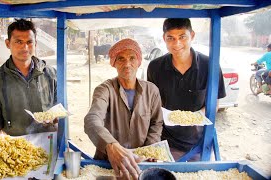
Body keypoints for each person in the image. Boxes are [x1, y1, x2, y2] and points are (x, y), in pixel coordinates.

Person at [147, 18, 226, 161]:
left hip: (199, 144)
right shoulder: (155, 67)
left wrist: (194, 118)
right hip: (166, 143)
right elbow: (153, 104)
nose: (176, 44)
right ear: (164, 38)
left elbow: (214, 104)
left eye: (182, 37)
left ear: (192, 36)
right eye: (170, 38)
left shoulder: (210, 66)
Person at [84, 38, 163, 180]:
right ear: (114, 63)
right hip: (108, 163)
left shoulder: (152, 91)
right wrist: (111, 146)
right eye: (121, 59)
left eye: (132, 58)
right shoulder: (105, 89)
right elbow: (92, 120)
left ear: (139, 61)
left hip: (141, 163)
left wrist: (148, 150)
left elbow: (156, 123)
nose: (127, 64)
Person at [0, 19, 57, 136]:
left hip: (49, 143)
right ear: (8, 44)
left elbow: (60, 110)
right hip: (17, 149)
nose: (25, 47)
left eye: (29, 42)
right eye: (19, 42)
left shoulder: (51, 74)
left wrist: (55, 118)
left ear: (35, 44)